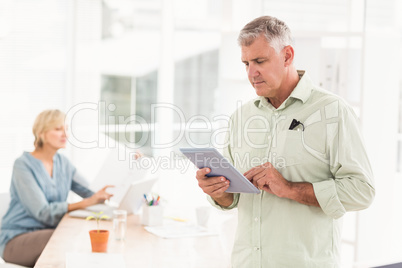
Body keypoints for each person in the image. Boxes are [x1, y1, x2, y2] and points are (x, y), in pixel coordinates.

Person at [196, 16, 375, 267]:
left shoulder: (333, 111)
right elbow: (232, 199)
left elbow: (362, 191)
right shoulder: (242, 116)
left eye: (259, 61)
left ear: (287, 56)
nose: (251, 73)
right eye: (246, 63)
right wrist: (217, 191)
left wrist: (290, 188)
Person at [0, 109, 113, 267]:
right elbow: (43, 213)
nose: (65, 134)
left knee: (72, 236)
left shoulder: (63, 163)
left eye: (66, 129)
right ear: (41, 133)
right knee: (63, 238)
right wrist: (86, 203)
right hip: (17, 239)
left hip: (50, 234)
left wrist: (128, 170)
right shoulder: (23, 165)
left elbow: (94, 193)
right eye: (58, 129)